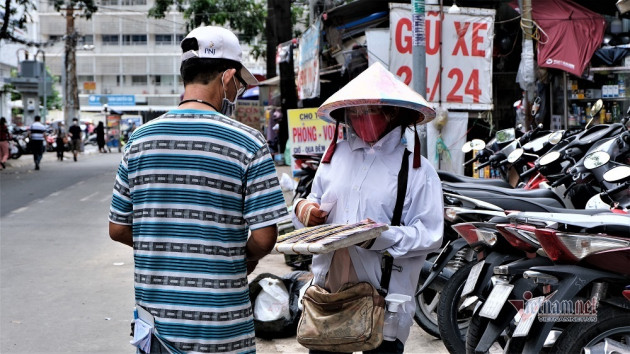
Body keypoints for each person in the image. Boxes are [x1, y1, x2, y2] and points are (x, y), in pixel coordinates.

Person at [108, 25, 289, 353]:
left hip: (156, 328)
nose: (237, 91)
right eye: (238, 83)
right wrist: (230, 255)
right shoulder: (248, 142)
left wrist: (168, 246)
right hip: (221, 328)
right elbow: (264, 238)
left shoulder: (139, 140)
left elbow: (118, 228)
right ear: (227, 76)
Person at [291, 62, 444, 354]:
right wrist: (304, 209)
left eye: (369, 111)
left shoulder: (417, 170)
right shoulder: (334, 157)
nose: (361, 119)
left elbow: (430, 234)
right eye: (355, 112)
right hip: (328, 296)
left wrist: (379, 236)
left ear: (392, 113)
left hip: (382, 301)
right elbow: (313, 201)